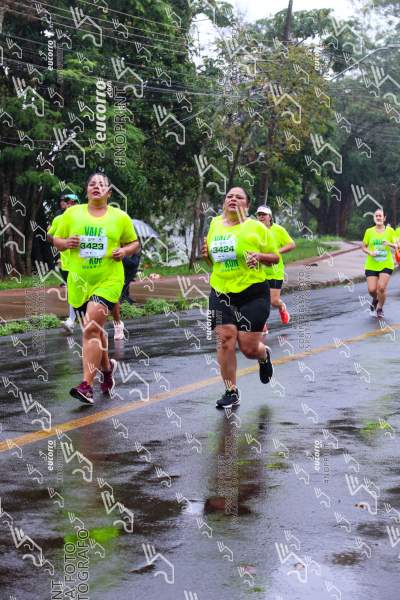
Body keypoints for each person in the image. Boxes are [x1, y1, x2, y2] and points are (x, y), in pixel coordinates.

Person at [52, 172, 140, 404]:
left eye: (101, 184)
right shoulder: (72, 214)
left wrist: (124, 251)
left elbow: (134, 243)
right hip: (80, 282)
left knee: (91, 328)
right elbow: (56, 239)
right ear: (87, 190)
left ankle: (86, 386)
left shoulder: (120, 217)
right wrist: (66, 243)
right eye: (92, 183)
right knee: (97, 331)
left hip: (108, 281)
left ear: (109, 192)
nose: (96, 186)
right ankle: (108, 369)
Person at [202, 186, 279, 409]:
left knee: (248, 348)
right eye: (229, 196)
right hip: (221, 291)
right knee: (225, 340)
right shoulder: (215, 224)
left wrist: (260, 256)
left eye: (239, 197)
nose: (233, 199)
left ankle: (263, 355)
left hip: (253, 293)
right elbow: (212, 261)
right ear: (224, 202)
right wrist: (206, 256)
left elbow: (274, 257)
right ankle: (231, 391)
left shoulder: (256, 227)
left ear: (247, 204)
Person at [256, 205, 295, 326]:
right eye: (259, 215)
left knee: (273, 301)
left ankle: (281, 306)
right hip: (258, 271)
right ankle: (262, 325)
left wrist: (277, 252)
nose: (261, 217)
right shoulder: (254, 231)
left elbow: (291, 244)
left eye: (264, 214)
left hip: (274, 271)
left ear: (270, 217)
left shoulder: (278, 230)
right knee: (260, 301)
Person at [47, 194, 80, 332]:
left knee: (81, 290)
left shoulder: (86, 218)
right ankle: (72, 320)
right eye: (66, 202)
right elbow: (50, 236)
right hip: (66, 262)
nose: (68, 204)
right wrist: (61, 242)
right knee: (72, 291)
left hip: (84, 262)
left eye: (72, 202)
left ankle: (76, 319)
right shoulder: (59, 219)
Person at [362, 208, 396, 318]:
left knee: (381, 288)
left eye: (380, 216)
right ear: (374, 218)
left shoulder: (390, 231)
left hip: (386, 264)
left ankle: (379, 308)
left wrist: (389, 243)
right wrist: (370, 252)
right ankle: (376, 298)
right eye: (376, 216)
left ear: (384, 218)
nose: (378, 217)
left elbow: (397, 245)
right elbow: (363, 247)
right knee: (372, 290)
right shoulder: (369, 231)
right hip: (371, 264)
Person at [112, 251, 141, 340]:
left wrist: (122, 256)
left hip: (127, 270)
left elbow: (134, 263)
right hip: (119, 269)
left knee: (118, 293)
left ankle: (117, 323)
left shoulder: (135, 250)